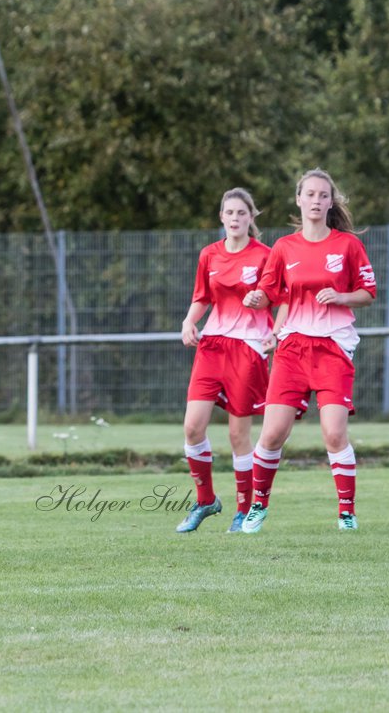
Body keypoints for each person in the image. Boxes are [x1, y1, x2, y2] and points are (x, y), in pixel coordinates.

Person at [240, 169, 376, 532]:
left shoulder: (347, 245)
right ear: (298, 199)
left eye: (323, 195)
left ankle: (347, 512)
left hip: (333, 347)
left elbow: (368, 293)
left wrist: (342, 296)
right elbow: (268, 293)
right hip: (293, 348)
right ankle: (258, 506)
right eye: (310, 194)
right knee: (271, 435)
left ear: (331, 202)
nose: (316, 201)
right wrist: (256, 299)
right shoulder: (284, 247)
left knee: (333, 434)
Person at [175, 188, 279, 534]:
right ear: (221, 217)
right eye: (229, 213)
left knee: (238, 435)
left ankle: (244, 509)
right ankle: (206, 500)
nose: (234, 219)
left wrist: (270, 321)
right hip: (212, 345)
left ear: (251, 217)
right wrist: (190, 321)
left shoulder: (265, 256)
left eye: (241, 213)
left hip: (247, 349)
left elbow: (280, 299)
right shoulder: (209, 254)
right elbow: (201, 297)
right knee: (192, 427)